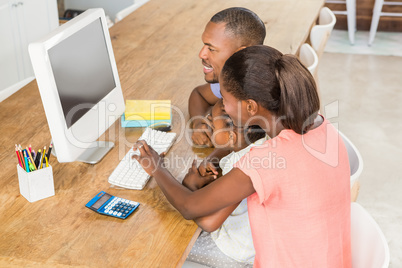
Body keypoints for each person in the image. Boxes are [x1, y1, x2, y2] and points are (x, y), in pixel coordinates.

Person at [133, 45, 352, 267]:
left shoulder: (266, 159)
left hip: (282, 261)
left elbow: (190, 207)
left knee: (154, 249)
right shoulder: (321, 126)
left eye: (225, 99)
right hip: (328, 258)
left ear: (250, 106)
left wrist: (157, 167)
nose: (223, 106)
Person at [185, 100, 266, 267]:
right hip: (253, 244)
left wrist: (190, 186)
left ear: (231, 136)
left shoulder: (240, 165)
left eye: (212, 125)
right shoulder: (260, 144)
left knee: (176, 245)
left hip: (236, 252)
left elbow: (208, 222)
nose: (207, 124)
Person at [189, 7, 266, 147]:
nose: (201, 54)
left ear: (239, 54)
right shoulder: (232, 81)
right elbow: (198, 94)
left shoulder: (261, 94)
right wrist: (199, 123)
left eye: (211, 49)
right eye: (204, 45)